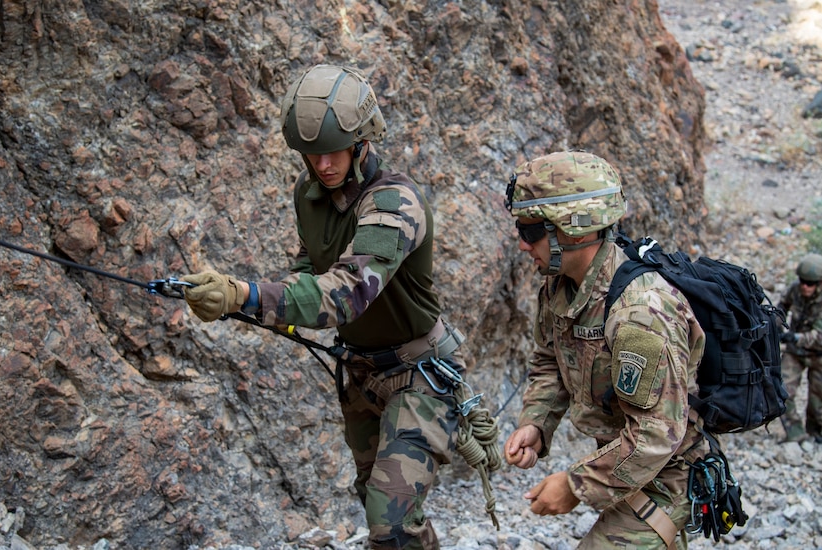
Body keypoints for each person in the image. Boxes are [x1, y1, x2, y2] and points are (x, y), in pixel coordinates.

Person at [180, 64, 469, 549]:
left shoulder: (395, 204)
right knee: (378, 502)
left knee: (389, 515)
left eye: (333, 152)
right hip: (360, 372)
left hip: (421, 372)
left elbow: (347, 292)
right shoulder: (309, 195)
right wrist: (248, 302)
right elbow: (309, 271)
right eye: (311, 155)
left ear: (362, 142)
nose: (323, 165)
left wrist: (245, 294)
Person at [502, 151, 710, 549]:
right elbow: (551, 358)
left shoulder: (640, 313)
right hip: (623, 465)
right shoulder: (561, 286)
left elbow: (654, 436)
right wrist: (536, 423)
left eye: (530, 232)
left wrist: (575, 485)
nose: (522, 244)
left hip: (666, 476)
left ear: (575, 231)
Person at [777, 253, 822, 443]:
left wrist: (794, 337)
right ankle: (795, 433)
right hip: (795, 353)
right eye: (803, 281)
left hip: (819, 354)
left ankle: (817, 432)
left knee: (818, 401)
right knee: (782, 390)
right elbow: (780, 307)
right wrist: (776, 325)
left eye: (810, 283)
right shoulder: (795, 290)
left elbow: (819, 336)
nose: (805, 286)